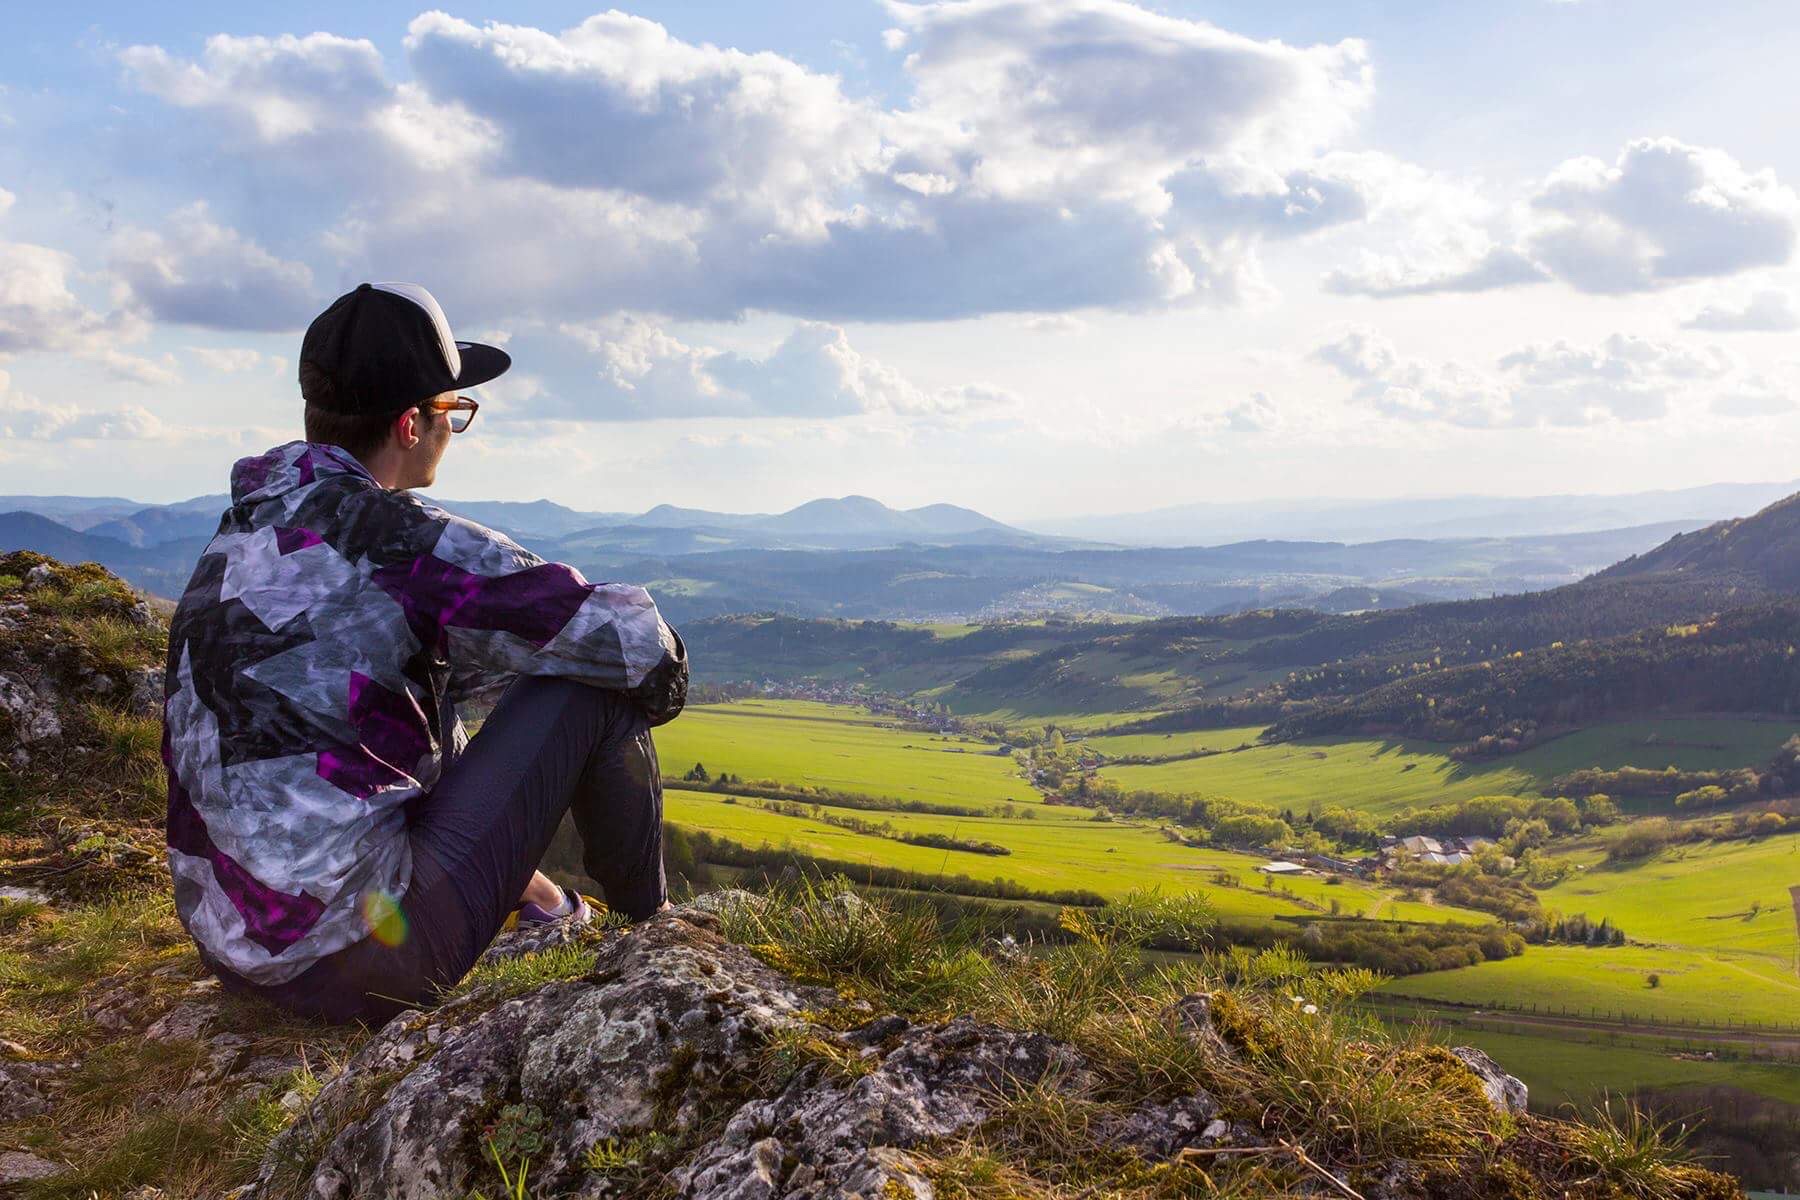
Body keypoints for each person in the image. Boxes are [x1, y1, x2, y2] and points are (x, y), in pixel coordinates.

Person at [160, 282, 686, 1025]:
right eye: (453, 411)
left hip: (232, 944)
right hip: (359, 960)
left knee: (417, 691)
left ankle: (547, 905)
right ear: (412, 423)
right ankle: (654, 937)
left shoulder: (242, 531)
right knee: (590, 681)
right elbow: (643, 651)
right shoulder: (403, 541)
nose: (454, 427)